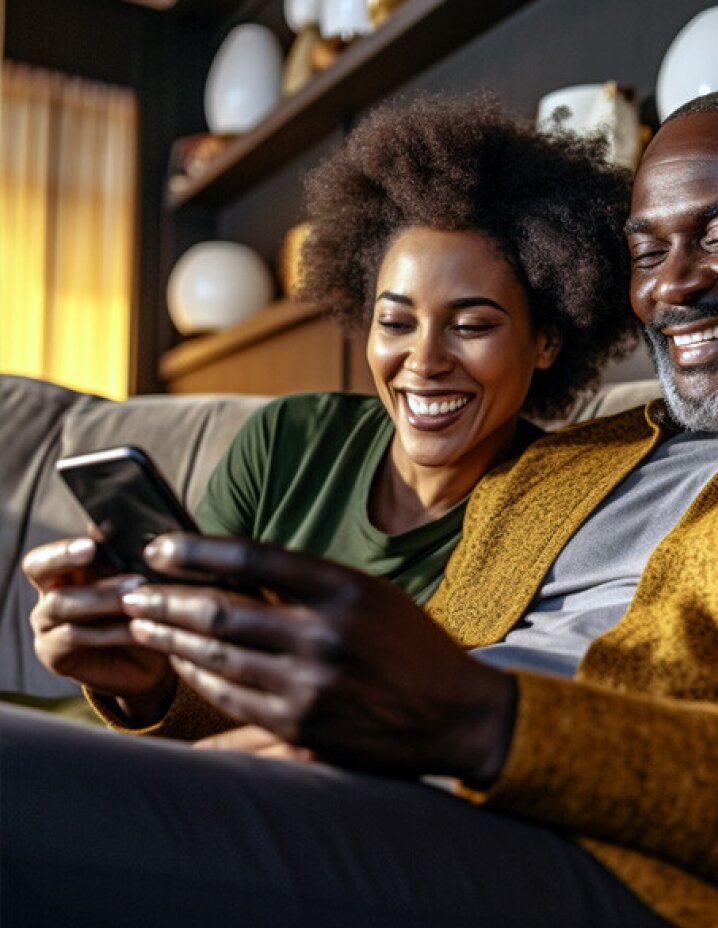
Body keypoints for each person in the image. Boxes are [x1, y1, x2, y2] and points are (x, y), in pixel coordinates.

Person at [5, 89, 718, 928]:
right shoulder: (562, 461)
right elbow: (374, 707)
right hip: (388, 803)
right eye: (647, 248)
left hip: (616, 869)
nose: (675, 286)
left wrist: (485, 723)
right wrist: (154, 689)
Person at [20, 93, 636, 729]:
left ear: (547, 341)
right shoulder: (285, 438)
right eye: (395, 321)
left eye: (472, 325)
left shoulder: (550, 513)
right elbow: (179, 663)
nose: (423, 360)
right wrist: (139, 680)